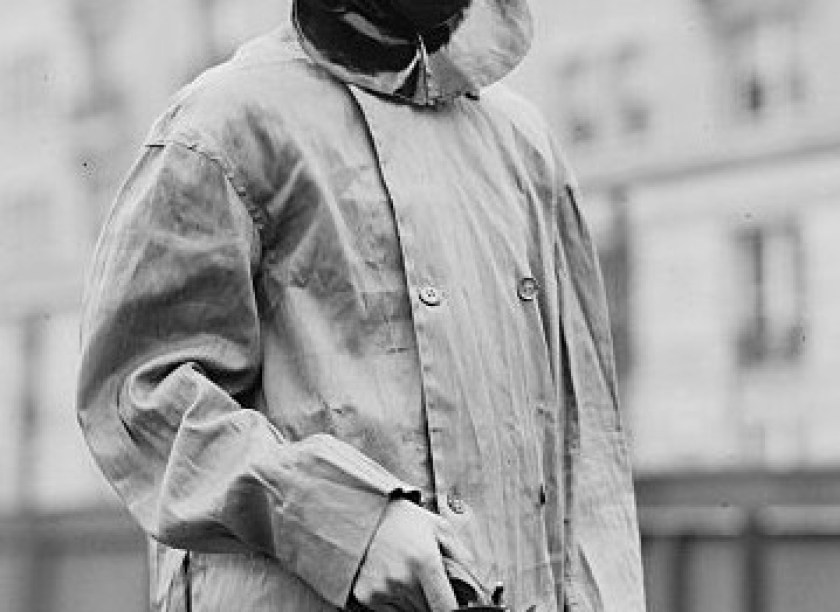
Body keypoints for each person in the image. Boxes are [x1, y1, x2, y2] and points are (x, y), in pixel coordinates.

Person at [76, 1, 646, 611]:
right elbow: (138, 397)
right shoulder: (222, 125)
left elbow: (588, 461)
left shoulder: (526, 145)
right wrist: (346, 523)